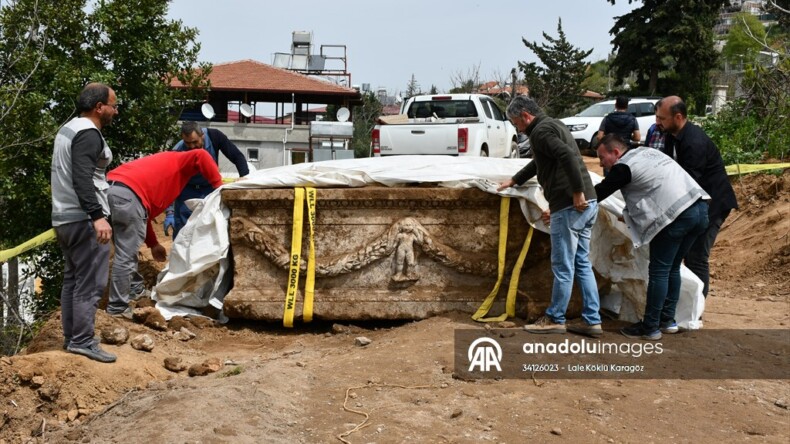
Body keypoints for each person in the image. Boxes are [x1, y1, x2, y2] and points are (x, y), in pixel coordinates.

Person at [497, 95, 602, 338]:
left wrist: (575, 193)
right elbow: (540, 163)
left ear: (525, 115)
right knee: (582, 264)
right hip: (589, 201)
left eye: (516, 123)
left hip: (571, 205)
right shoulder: (555, 124)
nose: (517, 129)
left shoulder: (540, 132)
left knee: (563, 266)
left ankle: (555, 318)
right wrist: (515, 180)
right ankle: (592, 321)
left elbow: (566, 156)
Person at [595, 134, 710, 340]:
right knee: (672, 267)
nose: (602, 163)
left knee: (659, 271)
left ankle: (650, 327)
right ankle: (667, 321)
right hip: (699, 209)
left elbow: (599, 193)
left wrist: (569, 202)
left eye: (603, 158)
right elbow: (651, 186)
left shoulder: (624, 167)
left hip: (676, 217)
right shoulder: (648, 152)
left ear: (615, 152)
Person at [105, 150, 223, 319]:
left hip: (109, 191)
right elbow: (201, 154)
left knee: (124, 250)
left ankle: (134, 289)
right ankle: (117, 308)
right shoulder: (179, 160)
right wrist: (219, 187)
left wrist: (153, 244)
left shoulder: (161, 168)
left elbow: (142, 215)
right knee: (126, 255)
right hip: (128, 196)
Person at [50, 83, 118, 363]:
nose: (115, 110)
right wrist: (97, 216)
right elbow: (82, 178)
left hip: (64, 218)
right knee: (90, 283)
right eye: (113, 105)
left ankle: (73, 337)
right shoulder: (89, 135)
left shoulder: (68, 129)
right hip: (83, 219)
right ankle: (82, 340)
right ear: (98, 107)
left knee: (73, 280)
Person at [656, 96, 738, 298]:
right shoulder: (671, 136)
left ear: (678, 117)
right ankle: (685, 303)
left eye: (662, 118)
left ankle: (696, 309)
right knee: (684, 254)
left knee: (696, 256)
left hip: (713, 203)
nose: (658, 123)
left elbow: (689, 182)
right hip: (697, 202)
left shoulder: (694, 141)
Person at [166, 121, 249, 238]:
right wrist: (170, 212)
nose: (192, 147)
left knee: (212, 227)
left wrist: (245, 177)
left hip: (210, 189)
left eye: (195, 142)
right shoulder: (177, 151)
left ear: (202, 136)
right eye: (187, 143)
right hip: (187, 191)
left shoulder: (215, 137)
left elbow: (237, 156)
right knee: (184, 231)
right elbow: (170, 182)